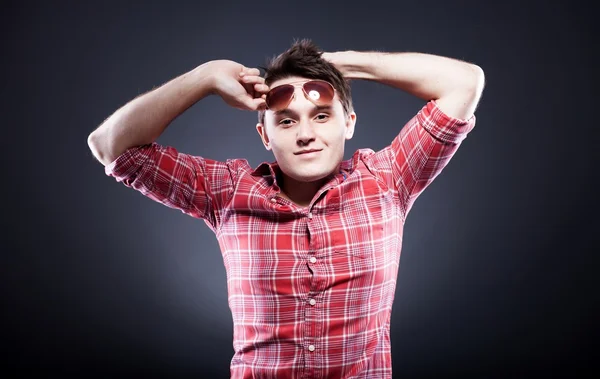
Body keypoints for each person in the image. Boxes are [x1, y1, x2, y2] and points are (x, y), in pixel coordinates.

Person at [87, 39, 485, 378]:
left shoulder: (388, 179)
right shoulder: (226, 191)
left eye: (322, 115)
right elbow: (109, 145)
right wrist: (205, 77)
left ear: (348, 123)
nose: (307, 134)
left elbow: (465, 83)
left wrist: (341, 65)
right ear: (265, 135)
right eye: (287, 121)